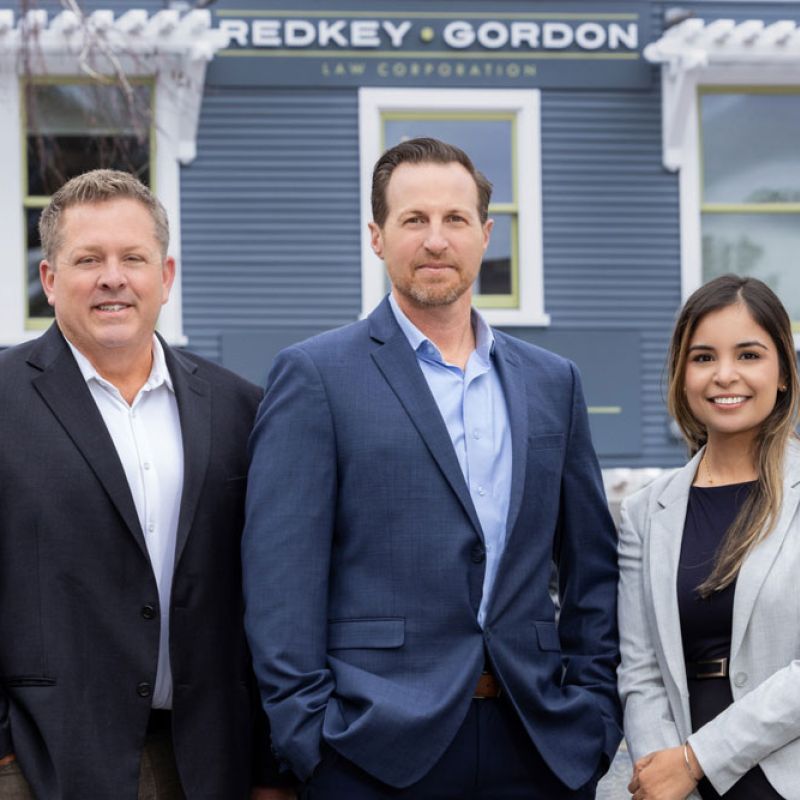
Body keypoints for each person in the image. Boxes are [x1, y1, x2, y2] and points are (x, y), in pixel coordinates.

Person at [242, 137, 621, 798]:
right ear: (377, 237)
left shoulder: (552, 382)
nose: (436, 239)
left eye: (455, 220)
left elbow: (591, 566)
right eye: (413, 220)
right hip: (371, 748)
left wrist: (594, 715)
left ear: (485, 234)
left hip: (536, 741)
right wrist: (309, 739)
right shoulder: (316, 376)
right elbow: (281, 580)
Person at [0, 170, 293, 800]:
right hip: (42, 765)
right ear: (50, 280)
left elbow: (269, 599)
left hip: (211, 763)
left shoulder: (241, 408)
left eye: (133, 257)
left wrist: (270, 768)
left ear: (166, 276)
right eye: (88, 259)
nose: (113, 277)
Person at [618, 274, 800, 800]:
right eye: (703, 358)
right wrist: (664, 774)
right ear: (681, 374)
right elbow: (641, 670)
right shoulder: (643, 513)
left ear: (783, 371)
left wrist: (697, 760)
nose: (725, 376)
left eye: (748, 355)